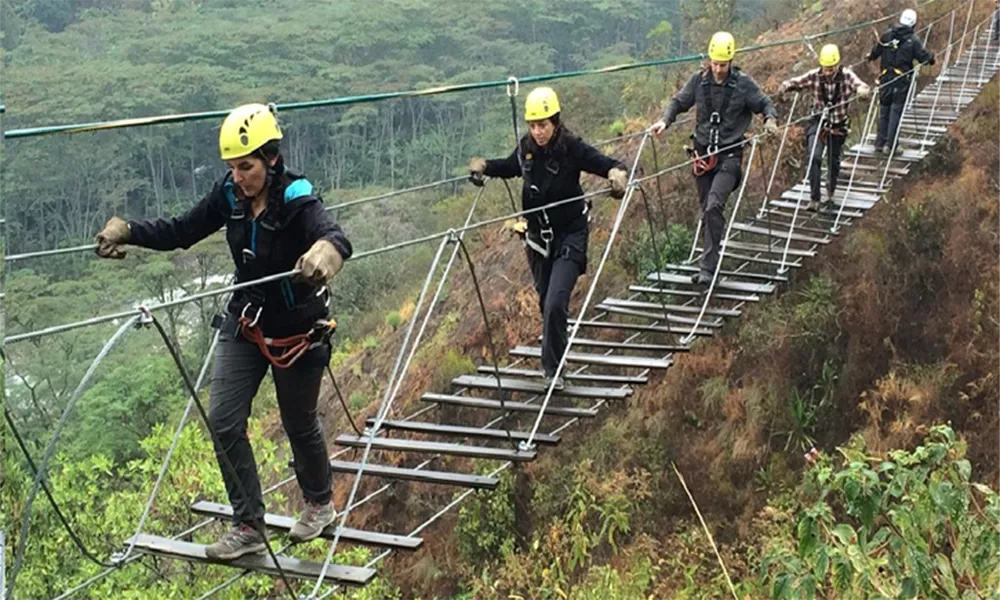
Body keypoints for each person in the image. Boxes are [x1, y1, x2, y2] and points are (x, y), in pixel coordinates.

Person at [94, 103, 353, 560]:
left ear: (271, 159)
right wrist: (130, 231)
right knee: (224, 422)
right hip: (247, 323)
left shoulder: (297, 197)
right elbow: (182, 230)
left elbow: (332, 232)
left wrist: (327, 252)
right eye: (232, 167)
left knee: (298, 421)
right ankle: (248, 524)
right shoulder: (229, 196)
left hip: (297, 332)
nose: (238, 176)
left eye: (246, 166)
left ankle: (319, 503)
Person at [467, 87, 628, 390]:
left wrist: (617, 175)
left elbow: (607, 163)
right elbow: (509, 166)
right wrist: (485, 166)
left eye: (543, 125)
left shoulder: (572, 148)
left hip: (571, 235)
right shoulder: (526, 149)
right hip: (538, 241)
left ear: (555, 122)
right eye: (533, 126)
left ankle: (553, 371)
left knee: (555, 303)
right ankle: (559, 357)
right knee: (546, 303)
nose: (538, 132)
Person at [651, 31, 778, 285]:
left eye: (723, 64)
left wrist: (770, 120)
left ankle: (708, 268)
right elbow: (678, 102)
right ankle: (708, 262)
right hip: (702, 156)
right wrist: (665, 121)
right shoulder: (699, 82)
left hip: (730, 157)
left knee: (713, 206)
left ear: (731, 61)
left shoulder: (743, 83)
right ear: (709, 60)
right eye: (715, 64)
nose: (719, 69)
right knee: (706, 211)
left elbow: (764, 103)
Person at [779, 44, 871, 211]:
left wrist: (863, 91)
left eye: (831, 68)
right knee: (814, 157)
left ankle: (831, 190)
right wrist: (785, 86)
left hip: (838, 126)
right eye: (826, 68)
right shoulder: (815, 76)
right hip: (818, 123)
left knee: (833, 162)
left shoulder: (846, 76)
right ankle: (814, 198)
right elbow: (797, 81)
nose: (828, 72)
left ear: (837, 65)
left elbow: (859, 85)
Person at [867, 8, 935, 154]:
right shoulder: (913, 41)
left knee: (884, 111)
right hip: (901, 82)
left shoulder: (887, 35)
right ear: (913, 24)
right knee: (895, 112)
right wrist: (932, 58)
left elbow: (876, 51)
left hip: (885, 79)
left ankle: (880, 142)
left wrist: (870, 56)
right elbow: (924, 58)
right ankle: (891, 145)